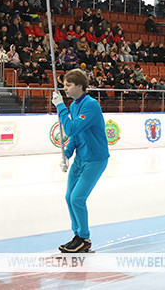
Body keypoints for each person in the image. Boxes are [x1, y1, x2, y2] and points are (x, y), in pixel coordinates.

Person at [52, 69, 109, 253]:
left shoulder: (90, 105)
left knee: (78, 198)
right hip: (80, 158)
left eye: (68, 85)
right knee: (69, 198)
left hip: (95, 159)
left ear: (79, 86)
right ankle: (77, 235)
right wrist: (67, 153)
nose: (64, 88)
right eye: (64, 84)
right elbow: (76, 136)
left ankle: (84, 238)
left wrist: (60, 107)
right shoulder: (75, 106)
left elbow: (71, 129)